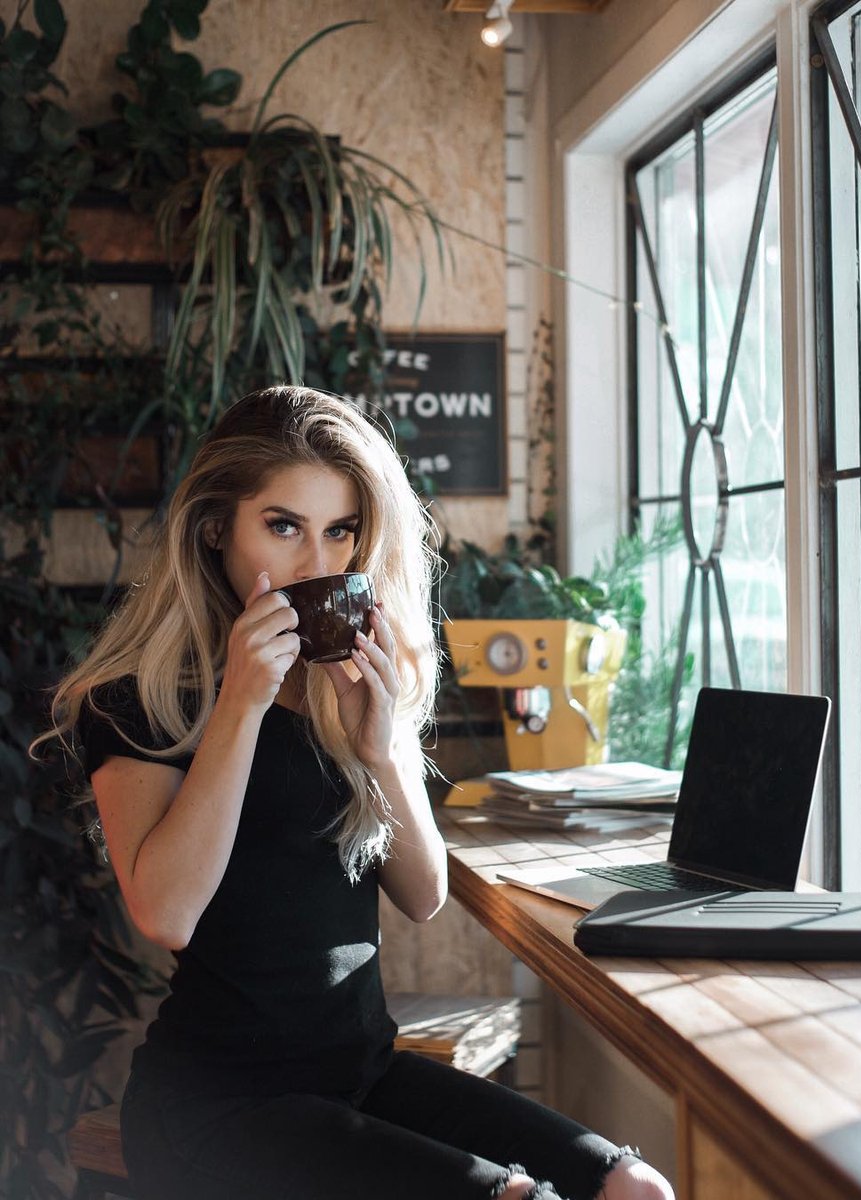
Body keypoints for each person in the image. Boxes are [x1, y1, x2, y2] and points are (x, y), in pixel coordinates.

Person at [39, 387, 674, 1200]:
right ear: (214, 529)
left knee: (636, 1189)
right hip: (218, 1108)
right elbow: (166, 913)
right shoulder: (140, 702)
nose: (316, 565)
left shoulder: (351, 688)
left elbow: (424, 894)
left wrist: (379, 749)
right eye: (283, 527)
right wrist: (241, 703)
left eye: (339, 531)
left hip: (365, 1076)